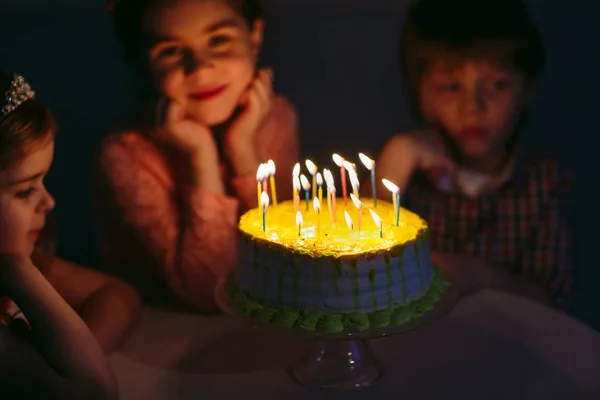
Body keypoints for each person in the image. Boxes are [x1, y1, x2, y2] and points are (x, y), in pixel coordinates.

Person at [366, 0, 573, 308]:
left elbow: (550, 302)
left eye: (496, 85)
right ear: (420, 96)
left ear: (527, 89)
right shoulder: (413, 179)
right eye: (451, 88)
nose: (473, 107)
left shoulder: (543, 182)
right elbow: (358, 272)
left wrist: (476, 275)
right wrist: (396, 159)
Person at [97, 0, 299, 311]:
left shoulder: (276, 119)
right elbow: (208, 292)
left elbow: (291, 261)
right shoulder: (127, 153)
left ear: (255, 35)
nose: (200, 67)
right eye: (171, 51)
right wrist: (200, 157)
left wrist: (243, 148)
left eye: (218, 40)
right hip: (163, 340)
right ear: (143, 62)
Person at [0, 73, 119, 398]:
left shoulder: (25, 259)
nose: (49, 202)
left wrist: (60, 353)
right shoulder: (12, 264)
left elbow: (119, 295)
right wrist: (16, 266)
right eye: (25, 190)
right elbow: (94, 389)